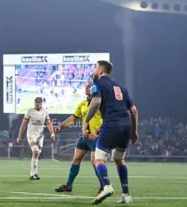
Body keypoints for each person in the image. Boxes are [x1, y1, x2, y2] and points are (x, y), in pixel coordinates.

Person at [82, 60, 138, 205]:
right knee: (119, 159)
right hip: (126, 125)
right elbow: (133, 110)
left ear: (100, 69)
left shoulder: (98, 84)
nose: (94, 71)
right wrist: (134, 131)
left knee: (98, 158)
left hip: (111, 124)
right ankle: (126, 194)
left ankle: (106, 186)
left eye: (95, 68)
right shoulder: (121, 87)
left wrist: (86, 121)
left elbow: (95, 102)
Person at [55, 81, 104, 194]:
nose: (87, 87)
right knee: (76, 159)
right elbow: (73, 118)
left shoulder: (100, 103)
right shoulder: (83, 104)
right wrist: (61, 126)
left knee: (95, 162)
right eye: (86, 86)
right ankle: (69, 185)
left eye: (89, 86)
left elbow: (106, 120)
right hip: (84, 137)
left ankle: (104, 186)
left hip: (96, 137)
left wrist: (97, 132)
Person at [16, 97, 55, 180]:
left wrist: (52, 134)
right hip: (31, 134)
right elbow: (23, 125)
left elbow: (48, 123)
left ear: (42, 103)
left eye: (39, 102)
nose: (38, 104)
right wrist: (19, 136)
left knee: (37, 154)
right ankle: (31, 175)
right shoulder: (30, 111)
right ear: (34, 103)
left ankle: (35, 173)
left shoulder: (45, 112)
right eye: (36, 102)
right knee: (36, 151)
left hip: (40, 135)